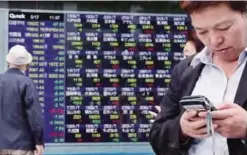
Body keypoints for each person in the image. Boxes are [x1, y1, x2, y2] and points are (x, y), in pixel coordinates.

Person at [149, 1, 247, 155]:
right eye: (202, 32)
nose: (214, 40)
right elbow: (157, 135)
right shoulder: (185, 70)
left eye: (224, 28)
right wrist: (181, 130)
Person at [149, 29, 204, 123]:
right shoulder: (178, 81)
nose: (184, 62)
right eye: (184, 56)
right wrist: (164, 121)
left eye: (187, 56)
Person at [0, 45, 44, 155]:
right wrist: (38, 141)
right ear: (26, 64)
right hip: (22, 145)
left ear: (8, 61)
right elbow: (34, 116)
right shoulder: (26, 83)